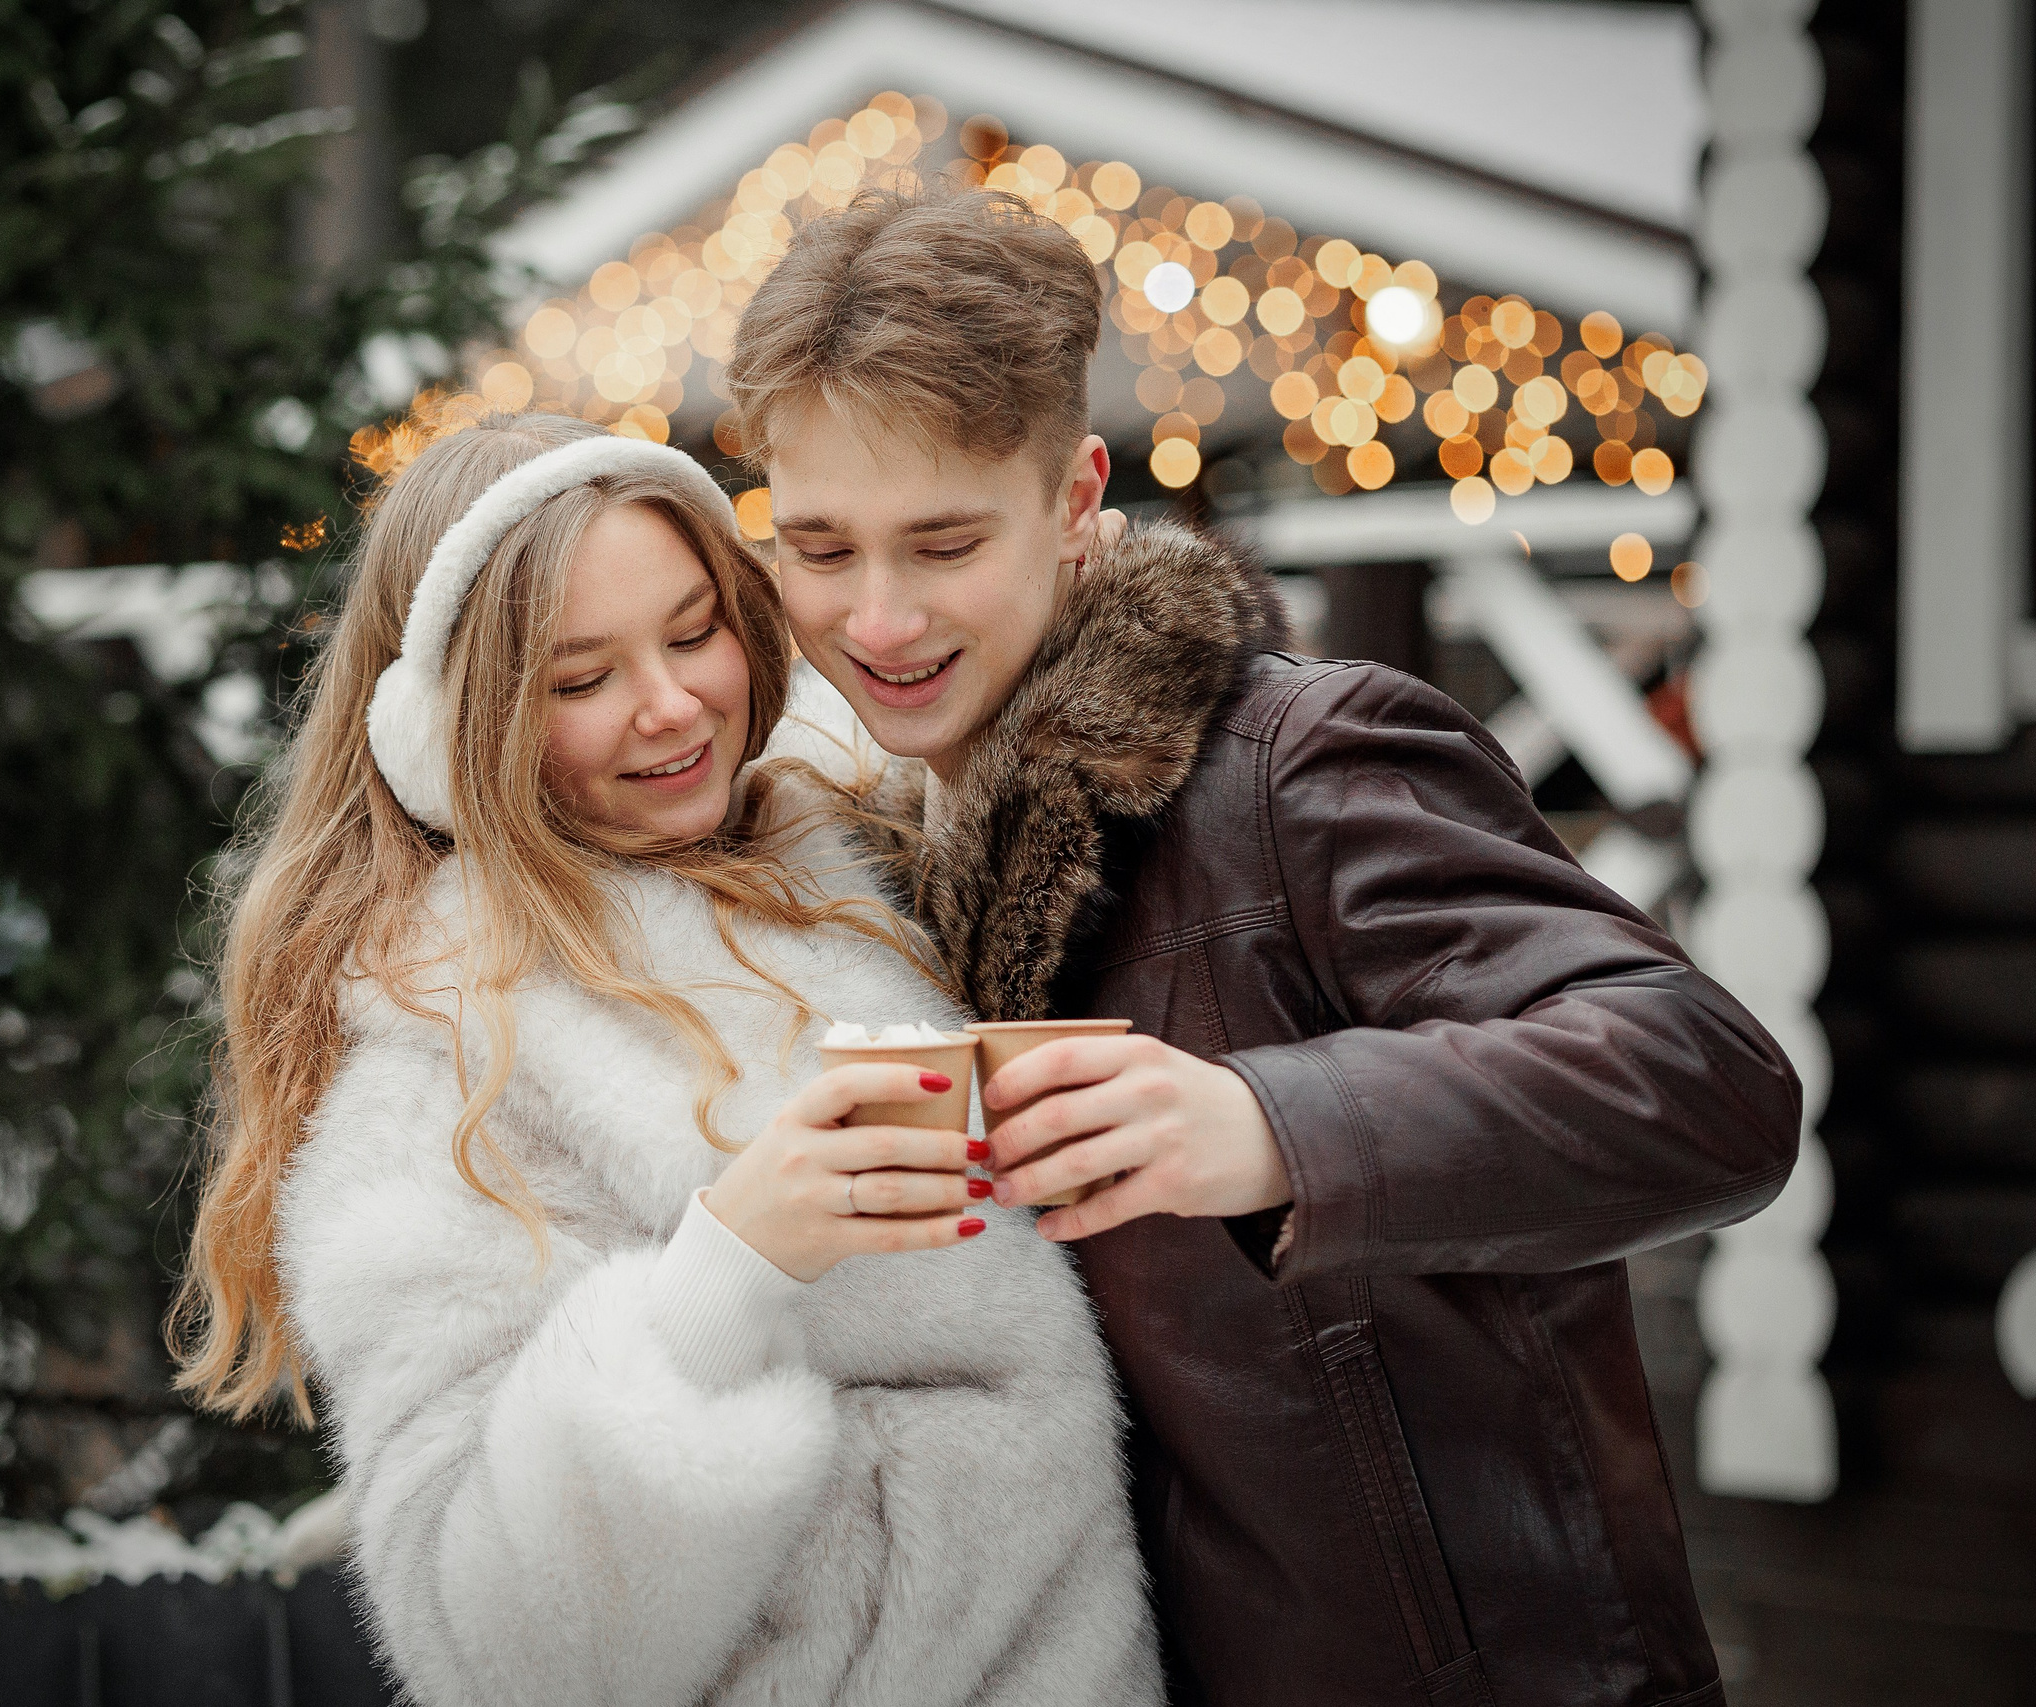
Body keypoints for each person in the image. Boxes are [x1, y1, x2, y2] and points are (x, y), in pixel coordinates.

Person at [726, 181, 1804, 1707]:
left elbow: (1709, 1082)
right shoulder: (863, 858)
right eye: (820, 549)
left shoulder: (1299, 759)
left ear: (1076, 497)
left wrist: (1269, 1123)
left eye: (944, 541)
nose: (879, 618)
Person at [168, 413, 1159, 1707]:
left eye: (693, 630)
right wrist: (725, 1270)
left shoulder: (859, 847)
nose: (673, 703)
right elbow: (490, 1651)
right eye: (581, 679)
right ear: (457, 731)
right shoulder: (442, 1068)